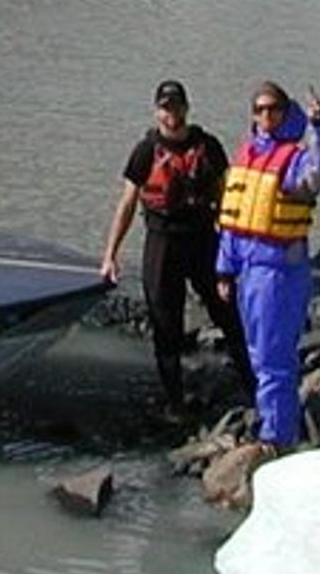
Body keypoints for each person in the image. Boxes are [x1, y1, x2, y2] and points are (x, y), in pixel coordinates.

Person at [99, 79, 254, 412]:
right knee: (165, 323)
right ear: (157, 112)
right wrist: (110, 256)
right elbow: (126, 203)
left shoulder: (208, 146)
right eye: (166, 109)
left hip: (203, 239)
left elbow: (230, 198)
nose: (173, 115)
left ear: (187, 108)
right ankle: (175, 402)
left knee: (227, 312)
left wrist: (238, 249)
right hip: (162, 242)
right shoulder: (145, 152)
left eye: (177, 107)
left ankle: (254, 386)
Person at [215, 82, 320, 453]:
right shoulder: (248, 154)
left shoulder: (294, 159)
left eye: (273, 109)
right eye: (259, 110)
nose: (266, 117)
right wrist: (224, 269)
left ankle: (278, 436)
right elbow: (232, 222)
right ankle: (270, 419)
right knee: (258, 354)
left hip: (279, 272)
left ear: (286, 113)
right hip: (248, 272)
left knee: (274, 357)